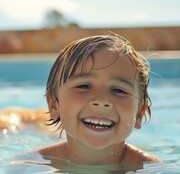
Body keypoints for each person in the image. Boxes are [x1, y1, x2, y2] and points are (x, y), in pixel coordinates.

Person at [38, 33, 161, 166]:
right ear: (54, 105)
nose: (101, 101)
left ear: (139, 113)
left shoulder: (149, 170)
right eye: (84, 86)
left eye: (118, 90)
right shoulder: (32, 165)